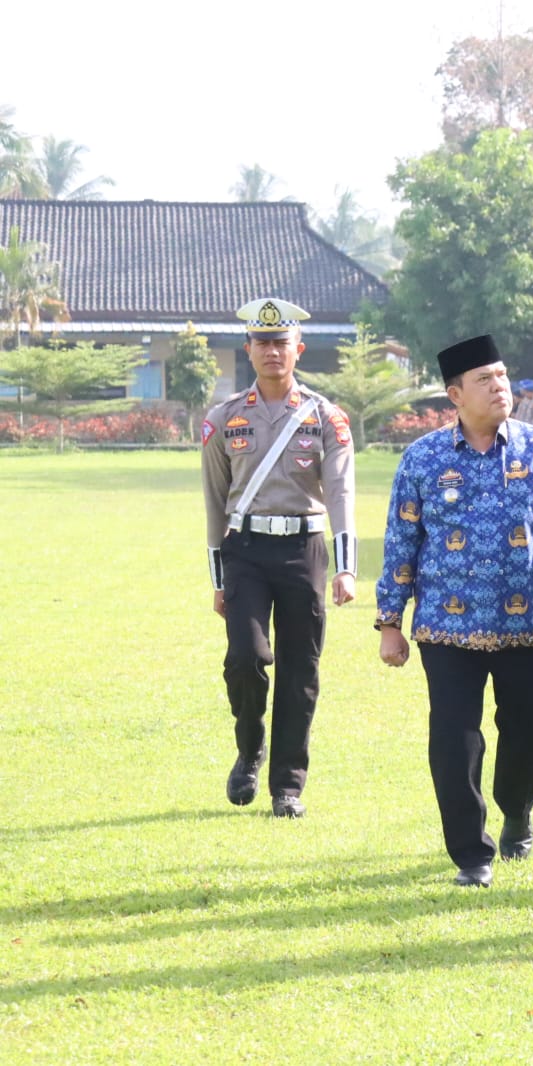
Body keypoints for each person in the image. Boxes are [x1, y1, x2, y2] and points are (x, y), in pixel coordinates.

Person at [374, 335, 533, 887]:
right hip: (447, 627)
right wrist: (390, 623)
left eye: (503, 377)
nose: (500, 387)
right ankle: (471, 854)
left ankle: (517, 810)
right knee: (454, 739)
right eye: (485, 380)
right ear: (455, 395)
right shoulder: (424, 458)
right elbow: (402, 543)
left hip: (532, 624)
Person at [202, 297, 357, 819]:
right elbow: (214, 502)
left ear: (298, 349)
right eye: (262, 342)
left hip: (303, 549)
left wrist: (346, 566)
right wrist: (218, 578)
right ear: (248, 349)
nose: (272, 351)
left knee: (299, 669)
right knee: (245, 658)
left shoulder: (325, 417)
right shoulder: (225, 418)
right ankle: (250, 748)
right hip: (245, 550)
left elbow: (340, 493)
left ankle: (287, 787)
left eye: (281, 343)